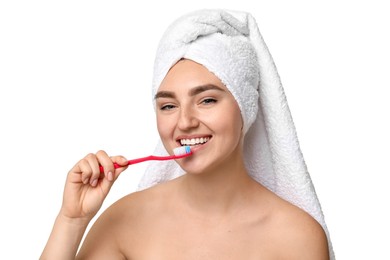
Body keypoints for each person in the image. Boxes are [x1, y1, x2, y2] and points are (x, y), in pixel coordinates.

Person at [40, 9, 334, 259]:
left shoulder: (297, 238)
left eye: (207, 100)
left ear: (246, 104)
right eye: (168, 105)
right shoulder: (123, 222)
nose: (184, 122)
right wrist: (71, 220)